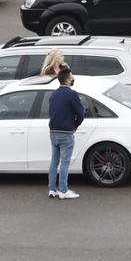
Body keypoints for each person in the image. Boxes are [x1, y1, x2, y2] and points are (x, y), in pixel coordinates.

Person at [46, 69, 85, 200]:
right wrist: (75, 126)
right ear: (67, 79)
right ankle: (63, 190)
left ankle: (52, 189)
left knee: (54, 161)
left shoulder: (54, 95)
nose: (73, 78)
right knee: (65, 162)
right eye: (72, 76)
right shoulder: (72, 94)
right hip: (66, 132)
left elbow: (51, 112)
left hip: (53, 132)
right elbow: (80, 113)